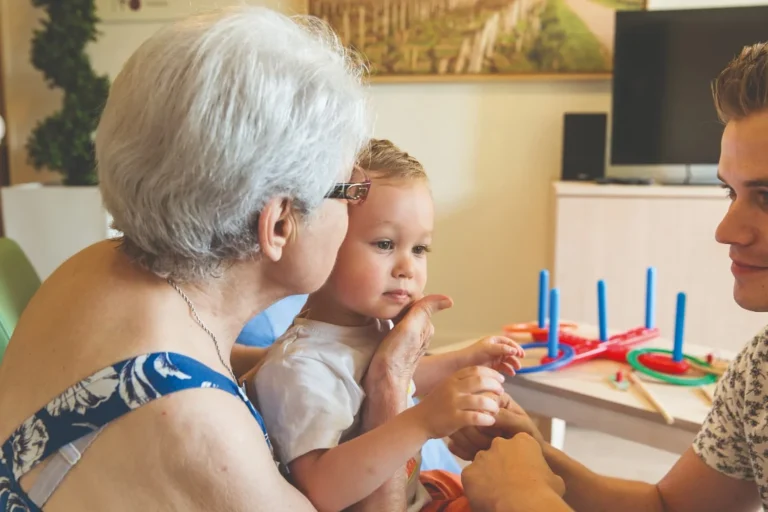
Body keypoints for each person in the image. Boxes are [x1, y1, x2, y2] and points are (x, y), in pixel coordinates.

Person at [0, 7, 449, 511]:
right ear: (279, 223)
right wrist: (389, 384)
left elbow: (195, 363)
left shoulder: (91, 268)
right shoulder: (208, 437)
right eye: (348, 191)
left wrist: (335, 364)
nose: (352, 209)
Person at [457, 42, 768, 512]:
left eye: (766, 197)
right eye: (730, 192)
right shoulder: (758, 370)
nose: (726, 231)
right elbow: (670, 507)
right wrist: (539, 460)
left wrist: (522, 498)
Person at [252, 139, 525, 512]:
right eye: (384, 244)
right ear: (326, 237)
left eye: (419, 249)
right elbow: (320, 489)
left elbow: (390, 376)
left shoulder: (366, 332)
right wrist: (423, 421)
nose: (407, 268)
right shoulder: (301, 367)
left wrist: (464, 360)